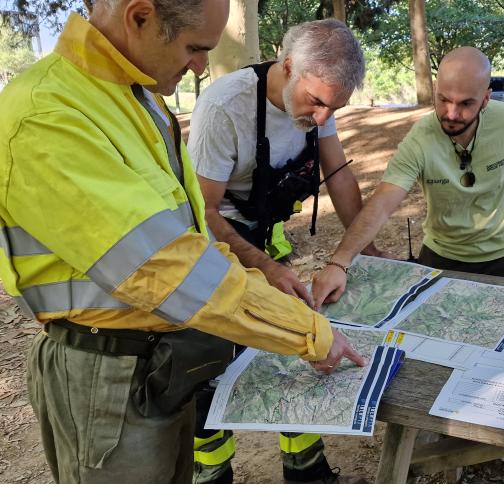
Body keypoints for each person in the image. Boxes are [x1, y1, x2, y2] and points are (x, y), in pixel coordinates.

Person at [0, 1, 363, 483]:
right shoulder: (48, 112)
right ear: (140, 16)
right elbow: (168, 267)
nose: (199, 67)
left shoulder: (136, 95)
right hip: (104, 375)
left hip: (156, 360)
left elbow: (184, 228)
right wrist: (305, 332)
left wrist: (267, 274)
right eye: (194, 48)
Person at [187, 19, 376, 484]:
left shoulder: (321, 103)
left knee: (296, 344)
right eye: (315, 102)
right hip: (216, 243)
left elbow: (341, 177)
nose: (320, 117)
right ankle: (211, 471)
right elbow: (203, 212)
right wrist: (265, 267)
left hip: (266, 234)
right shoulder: (224, 108)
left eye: (333, 107)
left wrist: (368, 250)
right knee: (212, 363)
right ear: (288, 67)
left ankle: (305, 465)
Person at [311, 46, 504, 309]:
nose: (452, 114)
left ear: (486, 98)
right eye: (443, 99)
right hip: (440, 254)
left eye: (466, 103)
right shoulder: (420, 139)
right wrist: (339, 262)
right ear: (435, 89)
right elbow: (382, 203)